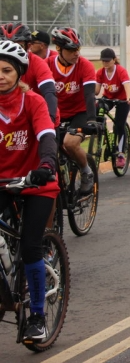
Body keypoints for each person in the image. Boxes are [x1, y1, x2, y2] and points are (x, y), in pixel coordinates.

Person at [0, 41, 61, 341]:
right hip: (3, 182)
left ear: (20, 73)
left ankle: (37, 317)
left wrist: (46, 165)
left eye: (7, 70)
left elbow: (46, 135)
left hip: (37, 182)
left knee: (30, 246)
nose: (0, 76)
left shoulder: (33, 101)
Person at [47, 28, 97, 197]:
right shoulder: (47, 65)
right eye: (71, 50)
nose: (76, 53)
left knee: (70, 143)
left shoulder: (85, 65)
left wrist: (91, 120)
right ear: (58, 50)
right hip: (55, 113)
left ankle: (86, 171)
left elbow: (89, 94)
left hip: (80, 112)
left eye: (78, 49)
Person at [1, 23, 58, 122]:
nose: (9, 52)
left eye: (17, 46)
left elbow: (49, 91)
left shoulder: (37, 63)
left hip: (35, 116)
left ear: (29, 46)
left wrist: (50, 119)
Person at [95, 48, 130, 168]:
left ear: (114, 60)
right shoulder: (100, 72)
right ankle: (103, 135)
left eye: (108, 61)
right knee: (97, 111)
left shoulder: (121, 71)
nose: (105, 63)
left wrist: (129, 98)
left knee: (119, 125)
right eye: (103, 61)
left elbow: (127, 86)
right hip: (108, 98)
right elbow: (96, 91)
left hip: (122, 100)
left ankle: (121, 154)